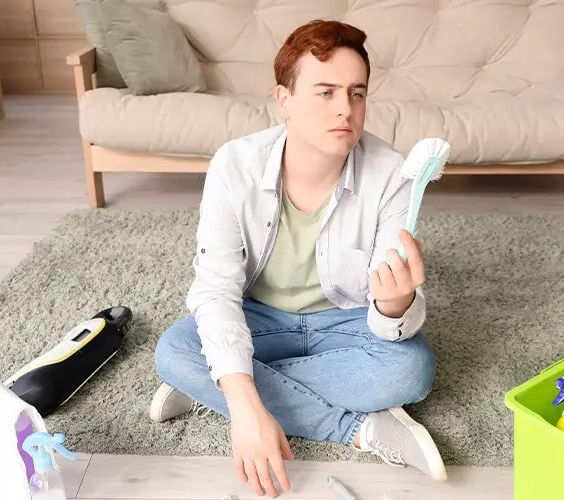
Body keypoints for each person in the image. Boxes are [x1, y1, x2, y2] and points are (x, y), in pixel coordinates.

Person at [150, 19, 444, 498]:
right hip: (260, 317)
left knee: (412, 369)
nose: (344, 110)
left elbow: (392, 323)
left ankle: (213, 388)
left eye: (356, 94)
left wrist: (397, 303)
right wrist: (247, 412)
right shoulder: (234, 165)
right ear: (284, 98)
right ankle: (360, 430)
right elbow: (216, 290)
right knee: (175, 349)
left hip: (347, 320)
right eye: (324, 92)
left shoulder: (393, 174)